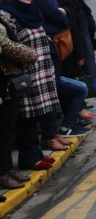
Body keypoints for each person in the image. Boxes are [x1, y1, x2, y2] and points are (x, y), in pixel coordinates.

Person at [0, 0, 61, 170]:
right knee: (25, 118)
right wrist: (28, 55)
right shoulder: (7, 14)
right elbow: (9, 44)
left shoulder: (32, 11)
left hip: (42, 71)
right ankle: (29, 156)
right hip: (23, 73)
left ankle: (35, 153)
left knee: (36, 115)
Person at [19, 0, 79, 150]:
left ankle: (51, 133)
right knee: (48, 92)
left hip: (49, 47)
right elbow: (55, 16)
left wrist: (62, 12)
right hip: (44, 48)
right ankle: (49, 134)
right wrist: (61, 12)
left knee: (51, 92)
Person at [51, 0, 93, 136]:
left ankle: (74, 120)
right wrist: (79, 53)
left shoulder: (72, 0)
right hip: (68, 49)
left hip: (75, 47)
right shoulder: (61, 3)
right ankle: (70, 123)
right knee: (74, 86)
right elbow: (72, 29)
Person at [0, 15, 37, 189]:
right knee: (3, 130)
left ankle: (8, 168)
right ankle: (3, 173)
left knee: (8, 128)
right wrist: (28, 52)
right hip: (3, 79)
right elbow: (5, 45)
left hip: (8, 80)